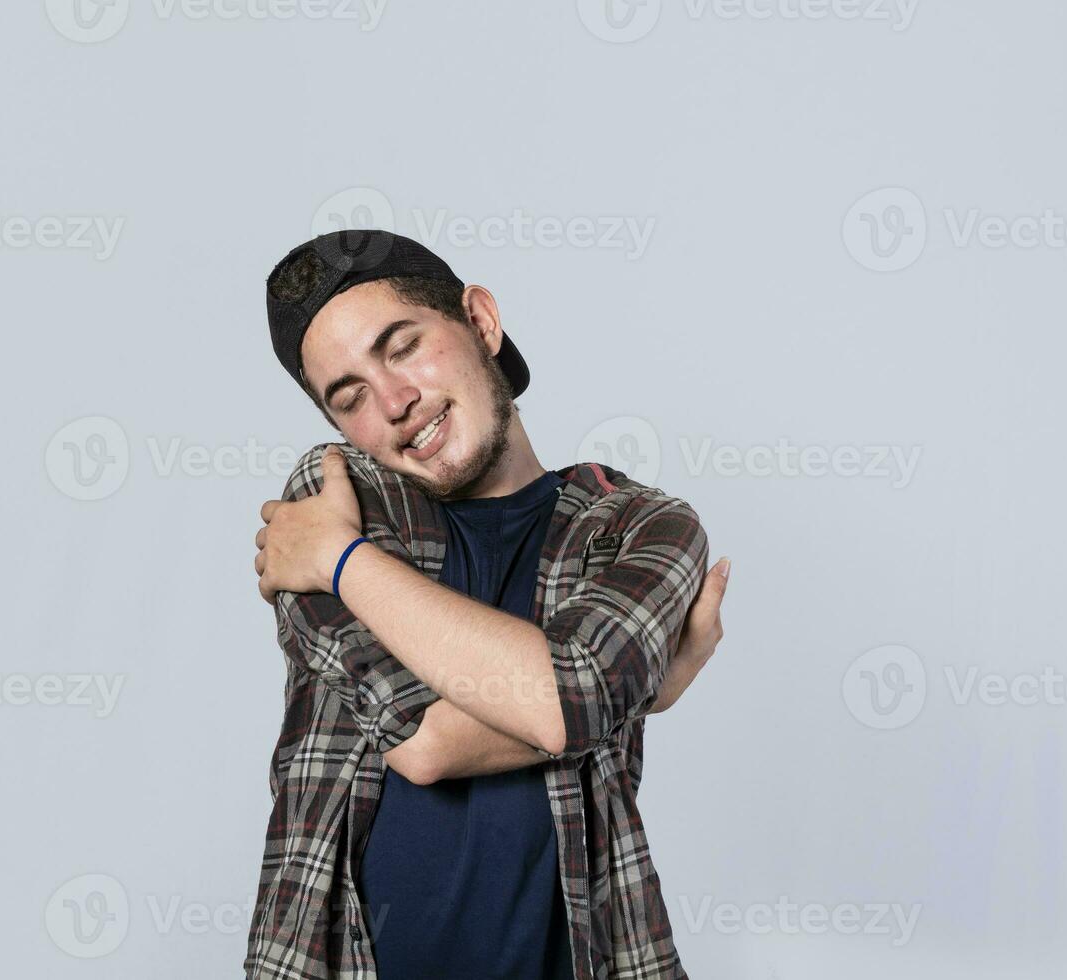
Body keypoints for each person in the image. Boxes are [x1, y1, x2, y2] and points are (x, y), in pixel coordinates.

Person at [244, 229, 730, 980]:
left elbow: (562, 700)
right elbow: (427, 744)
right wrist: (625, 694)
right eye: (351, 397)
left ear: (480, 320)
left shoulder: (643, 528)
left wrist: (342, 564)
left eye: (401, 347)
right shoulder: (330, 499)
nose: (396, 403)